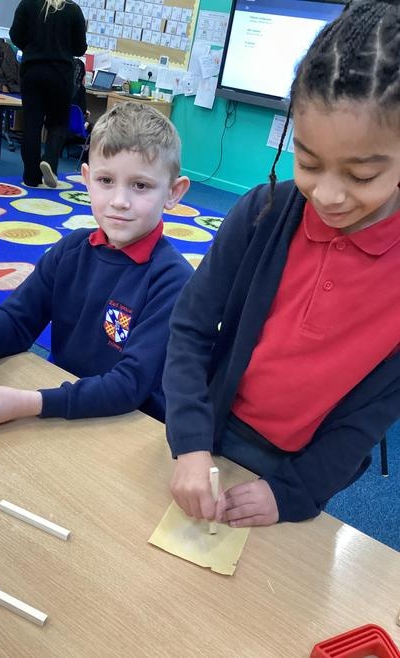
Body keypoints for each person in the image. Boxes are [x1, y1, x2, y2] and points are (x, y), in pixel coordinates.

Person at [163, 0, 400, 528]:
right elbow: (190, 327)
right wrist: (191, 442)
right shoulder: (262, 214)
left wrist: (293, 492)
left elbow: (373, 412)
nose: (329, 196)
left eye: (362, 176)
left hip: (301, 470)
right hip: (211, 429)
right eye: (308, 162)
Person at [0, 102, 192, 428]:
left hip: (127, 425)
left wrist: (33, 403)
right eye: (105, 180)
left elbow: (130, 386)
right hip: (61, 405)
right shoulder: (71, 250)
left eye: (140, 185)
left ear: (173, 193)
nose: (119, 201)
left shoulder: (174, 281)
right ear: (86, 178)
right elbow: (18, 318)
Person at [9, 0, 87, 188]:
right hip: (61, 74)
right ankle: (50, 161)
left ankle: (31, 177)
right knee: (58, 123)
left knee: (31, 124)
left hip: (32, 71)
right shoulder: (73, 10)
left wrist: (32, 47)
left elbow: (15, 35)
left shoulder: (27, 4)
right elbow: (79, 48)